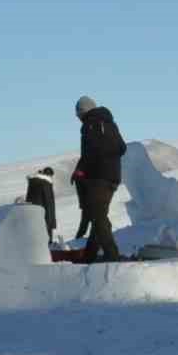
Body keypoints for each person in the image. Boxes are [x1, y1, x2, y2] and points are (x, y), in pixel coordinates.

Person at [72, 95, 126, 263]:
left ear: (83, 111)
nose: (78, 118)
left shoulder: (91, 124)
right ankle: (90, 255)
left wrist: (82, 169)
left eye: (78, 114)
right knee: (99, 216)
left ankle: (112, 256)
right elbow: (121, 147)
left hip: (99, 177)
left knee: (99, 217)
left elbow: (90, 152)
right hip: (112, 176)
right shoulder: (107, 122)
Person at [22, 166, 58, 244]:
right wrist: (51, 221)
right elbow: (49, 203)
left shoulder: (33, 182)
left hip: (32, 213)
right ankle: (48, 245)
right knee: (46, 229)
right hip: (43, 213)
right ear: (49, 175)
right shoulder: (46, 183)